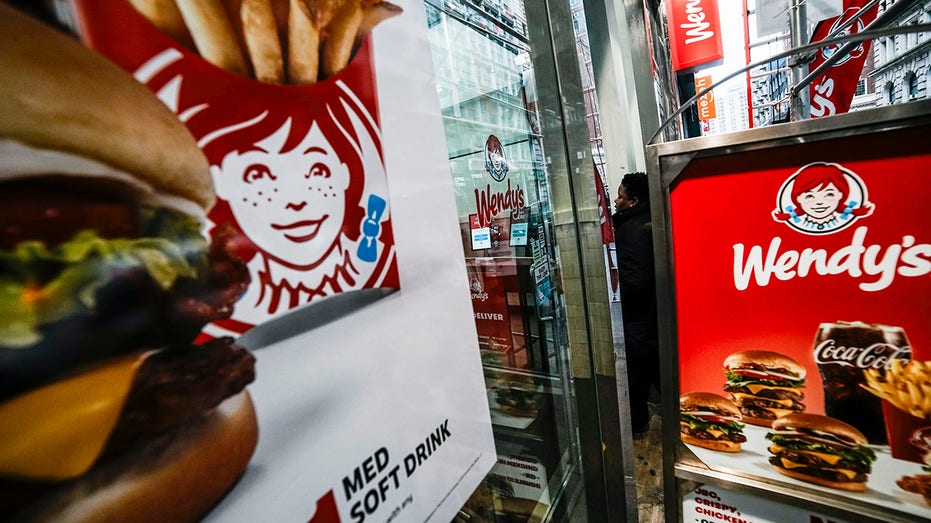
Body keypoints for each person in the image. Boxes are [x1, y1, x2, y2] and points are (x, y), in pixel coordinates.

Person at [612, 172, 660, 436]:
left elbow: (637, 281)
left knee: (639, 374)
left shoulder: (632, 230)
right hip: (654, 314)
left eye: (621, 196)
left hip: (640, 317)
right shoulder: (650, 219)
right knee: (653, 370)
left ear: (633, 200)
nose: (616, 201)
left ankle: (637, 425)